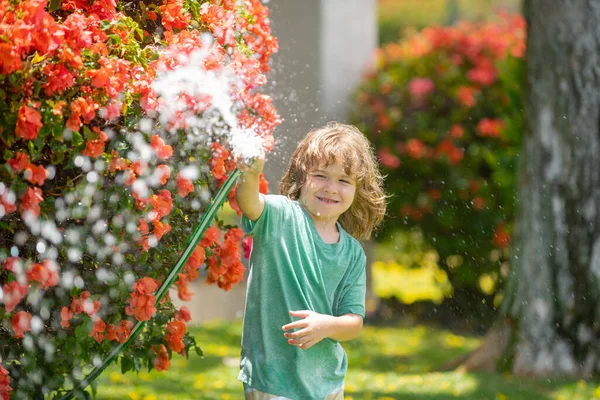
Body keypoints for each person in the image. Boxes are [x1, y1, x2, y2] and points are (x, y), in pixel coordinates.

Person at [235, 122, 387, 400]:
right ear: (301, 178)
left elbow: (354, 322)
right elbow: (249, 202)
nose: (331, 188)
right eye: (320, 175)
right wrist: (251, 173)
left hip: (327, 382)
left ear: (357, 189)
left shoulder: (353, 253)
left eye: (344, 180)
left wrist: (326, 325)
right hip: (273, 379)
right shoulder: (279, 217)